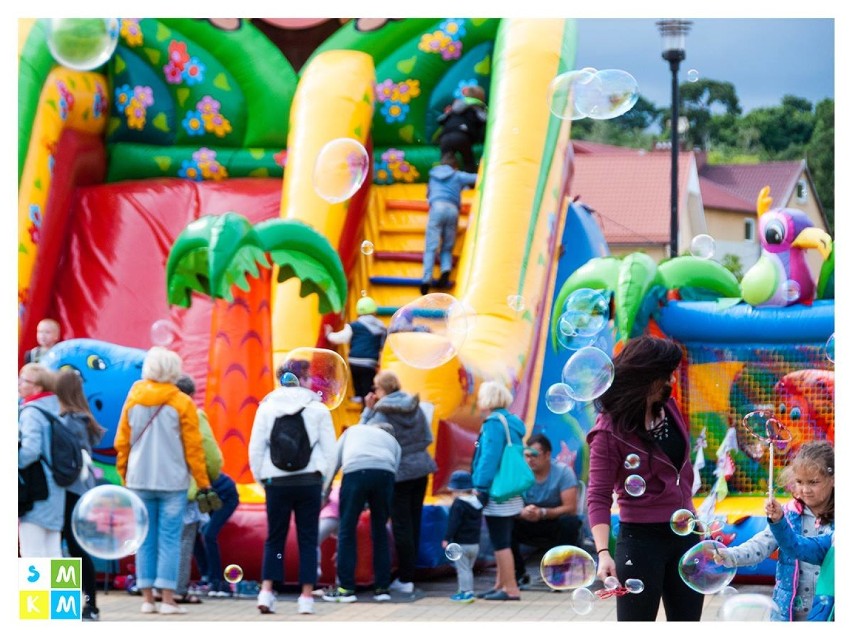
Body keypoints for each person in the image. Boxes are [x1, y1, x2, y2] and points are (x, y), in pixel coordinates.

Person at [587, 335, 703, 621]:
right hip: (640, 543)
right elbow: (598, 496)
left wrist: (695, 516)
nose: (671, 381)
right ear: (647, 376)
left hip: (685, 535)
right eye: (666, 375)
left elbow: (682, 471)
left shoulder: (670, 409)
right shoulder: (609, 431)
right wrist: (603, 553)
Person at [114, 347, 212, 616]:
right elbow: (194, 447)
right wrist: (203, 482)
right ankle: (168, 600)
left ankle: (147, 600)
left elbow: (121, 442)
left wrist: (124, 474)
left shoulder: (134, 398)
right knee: (170, 540)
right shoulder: (182, 402)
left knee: (144, 539)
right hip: (173, 482)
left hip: (138, 479)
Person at [248, 370, 337, 615]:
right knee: (308, 539)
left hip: (276, 482)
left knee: (275, 539)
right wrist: (324, 483)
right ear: (305, 380)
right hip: (309, 482)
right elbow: (330, 451)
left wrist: (262, 478)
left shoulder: (266, 408)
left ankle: (267, 590)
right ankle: (306, 597)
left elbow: (255, 448)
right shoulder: (318, 409)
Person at [715, 440, 834, 621]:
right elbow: (761, 545)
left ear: (833, 480)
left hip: (830, 615)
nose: (805, 489)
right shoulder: (788, 515)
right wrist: (730, 555)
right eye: (799, 482)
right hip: (789, 614)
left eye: (813, 482)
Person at [360, 370, 437, 594]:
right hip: (421, 468)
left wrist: (368, 410)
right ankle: (410, 574)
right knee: (414, 521)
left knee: (401, 524)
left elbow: (363, 435)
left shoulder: (381, 413)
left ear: (382, 390)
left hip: (400, 472)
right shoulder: (415, 406)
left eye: (376, 388)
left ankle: (405, 577)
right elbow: (427, 437)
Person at [175, 374, 239, 600]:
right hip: (205, 488)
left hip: (220, 491)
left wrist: (204, 480)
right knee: (194, 534)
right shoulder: (189, 414)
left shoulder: (189, 415)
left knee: (205, 532)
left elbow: (211, 459)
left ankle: (216, 581)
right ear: (192, 394)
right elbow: (212, 456)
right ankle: (207, 577)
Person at [323, 422, 401, 604]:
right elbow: (393, 471)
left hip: (356, 472)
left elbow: (333, 463)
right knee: (380, 531)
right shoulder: (393, 441)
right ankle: (382, 588)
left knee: (346, 530)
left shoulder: (352, 431)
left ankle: (346, 589)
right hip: (384, 475)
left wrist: (324, 493)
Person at [54, 369, 106, 620]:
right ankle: (88, 605)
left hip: (68, 490)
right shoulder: (84, 418)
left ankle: (82, 605)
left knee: (69, 547)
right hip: (82, 491)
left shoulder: (68, 420)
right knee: (76, 548)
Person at [470, 380, 525, 601]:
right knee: (503, 537)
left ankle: (510, 588)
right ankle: (500, 584)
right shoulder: (512, 421)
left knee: (500, 541)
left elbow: (489, 457)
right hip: (510, 490)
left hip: (495, 490)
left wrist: (480, 486)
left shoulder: (493, 422)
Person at [511, 433, 582, 586]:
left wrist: (542, 513)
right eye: (527, 456)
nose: (530, 460)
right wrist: (522, 512)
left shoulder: (563, 472)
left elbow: (571, 508)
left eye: (534, 455)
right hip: (527, 522)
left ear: (548, 455)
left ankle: (559, 574)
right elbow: (509, 504)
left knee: (570, 522)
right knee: (505, 523)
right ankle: (518, 573)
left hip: (554, 523)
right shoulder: (520, 474)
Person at [18, 363, 64, 558]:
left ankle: (36, 590)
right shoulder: (56, 409)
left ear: (37, 387)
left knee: (31, 551)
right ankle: (64, 590)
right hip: (56, 488)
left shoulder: (31, 412)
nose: (19, 384)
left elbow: (30, 450)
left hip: (36, 489)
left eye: (24, 380)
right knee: (54, 548)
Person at [420, 152, 478, 296]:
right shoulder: (457, 175)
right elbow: (476, 178)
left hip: (437, 207)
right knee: (447, 245)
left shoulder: (433, 176)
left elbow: (428, 194)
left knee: (431, 246)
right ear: (455, 166)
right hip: (452, 209)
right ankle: (445, 269)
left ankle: (426, 278)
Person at [324, 296, 387, 403]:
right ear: (374, 312)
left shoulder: (354, 326)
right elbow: (382, 344)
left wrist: (329, 334)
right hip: (370, 361)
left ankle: (358, 395)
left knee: (357, 377)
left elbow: (341, 337)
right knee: (368, 382)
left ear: (358, 312)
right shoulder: (381, 327)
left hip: (355, 359)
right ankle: (367, 400)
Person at [442, 470, 483, 603]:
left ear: (458, 490)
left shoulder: (458, 504)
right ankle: (463, 590)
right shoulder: (477, 503)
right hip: (475, 543)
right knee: (468, 569)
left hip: (461, 544)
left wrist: (447, 538)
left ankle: (467, 593)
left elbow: (453, 523)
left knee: (462, 570)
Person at [436, 84, 487, 174]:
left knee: (446, 164)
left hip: (445, 137)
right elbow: (484, 119)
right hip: (462, 135)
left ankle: (444, 182)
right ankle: (469, 183)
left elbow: (441, 120)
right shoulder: (477, 106)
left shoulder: (455, 107)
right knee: (468, 161)